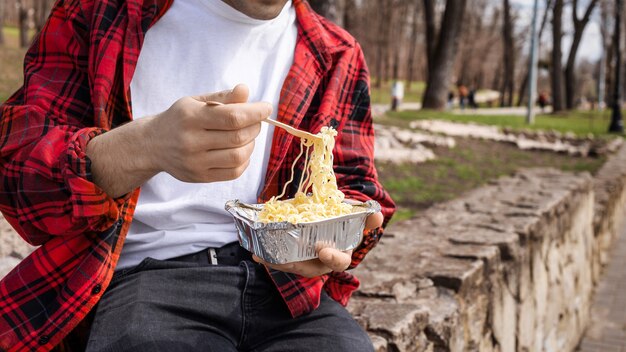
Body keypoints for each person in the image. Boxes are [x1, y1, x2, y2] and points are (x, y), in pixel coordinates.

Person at [0, 0, 395, 351]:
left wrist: (334, 241)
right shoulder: (100, 13)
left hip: (287, 291)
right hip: (144, 280)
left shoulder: (336, 52)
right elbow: (18, 180)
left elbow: (355, 186)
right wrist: (146, 146)